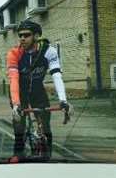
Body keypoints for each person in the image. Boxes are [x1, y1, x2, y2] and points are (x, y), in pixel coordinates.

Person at [6, 20, 70, 157]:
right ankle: (18, 155)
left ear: (36, 36)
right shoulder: (14, 53)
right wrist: (16, 104)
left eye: (26, 35)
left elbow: (57, 75)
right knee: (19, 127)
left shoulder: (49, 51)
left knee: (45, 125)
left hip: (37, 90)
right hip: (19, 91)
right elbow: (14, 79)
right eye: (20, 35)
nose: (22, 38)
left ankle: (48, 155)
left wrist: (63, 101)